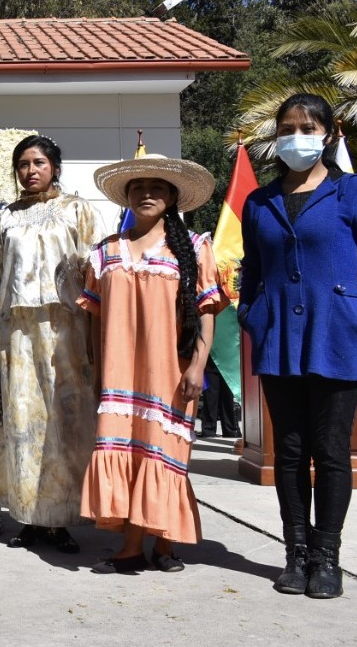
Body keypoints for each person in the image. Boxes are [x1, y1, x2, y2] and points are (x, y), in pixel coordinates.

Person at [239, 93, 357, 599]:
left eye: (306, 126)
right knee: (292, 453)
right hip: (279, 340)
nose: (296, 136)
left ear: (327, 132)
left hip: (337, 338)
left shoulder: (355, 192)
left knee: (332, 451)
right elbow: (250, 269)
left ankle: (327, 558)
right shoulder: (259, 201)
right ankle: (295, 555)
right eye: (287, 127)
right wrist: (251, 315)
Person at [79, 154, 226, 573]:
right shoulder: (105, 251)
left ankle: (163, 543)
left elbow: (207, 311)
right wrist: (97, 369)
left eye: (157, 187)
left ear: (173, 197)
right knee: (125, 451)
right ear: (127, 196)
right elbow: (94, 317)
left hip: (171, 372)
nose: (147, 194)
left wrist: (197, 366)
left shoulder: (195, 248)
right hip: (119, 375)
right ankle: (131, 544)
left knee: (162, 453)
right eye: (139, 187)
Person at [0, 135, 103, 553]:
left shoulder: (77, 210)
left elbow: (95, 271)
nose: (30, 171)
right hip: (17, 331)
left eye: (39, 163)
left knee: (63, 421)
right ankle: (28, 517)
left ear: (55, 167)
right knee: (21, 422)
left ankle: (62, 517)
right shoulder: (5, 218)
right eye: (23, 164)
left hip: (66, 330)